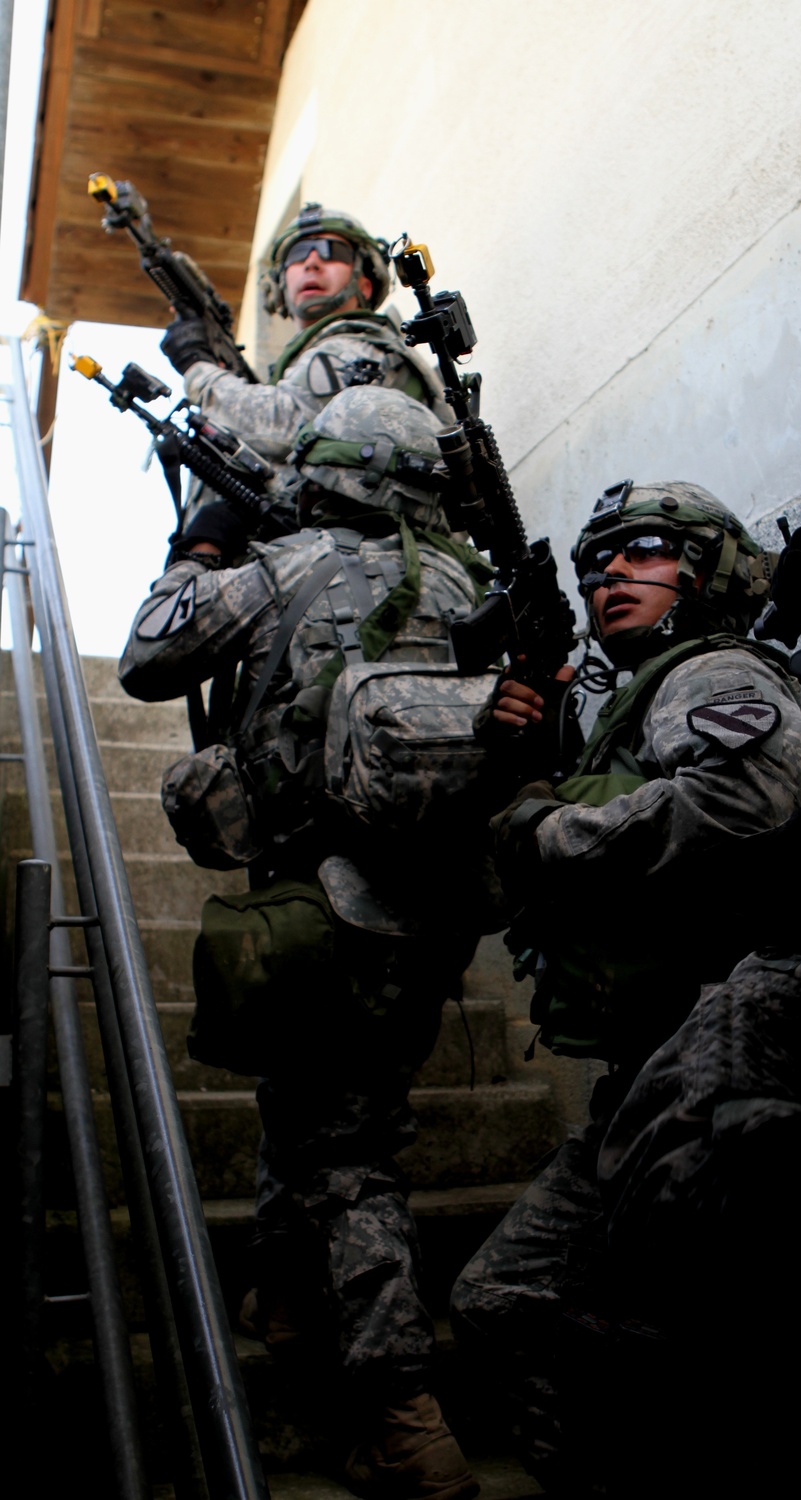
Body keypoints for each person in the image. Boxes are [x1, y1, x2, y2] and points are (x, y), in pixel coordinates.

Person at [120, 385, 493, 1500]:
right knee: (325, 1103)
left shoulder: (285, 568)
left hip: (312, 903)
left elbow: (148, 654)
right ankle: (284, 1301)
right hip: (430, 907)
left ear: (325, 468)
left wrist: (203, 537)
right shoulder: (464, 579)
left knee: (347, 1156)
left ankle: (402, 1414)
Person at [449, 478, 801, 1496]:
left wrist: (548, 828)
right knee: (500, 1298)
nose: (610, 572)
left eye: (646, 550)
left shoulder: (705, 669)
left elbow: (744, 800)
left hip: (741, 1054)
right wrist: (520, 771)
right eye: (598, 561)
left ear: (704, 569)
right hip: (651, 1074)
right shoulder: (628, 703)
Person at [159, 203, 448, 527]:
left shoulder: (359, 345)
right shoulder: (307, 362)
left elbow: (283, 426)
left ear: (364, 283)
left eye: (331, 250)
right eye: (299, 254)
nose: (312, 262)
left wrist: (198, 367)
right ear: (279, 286)